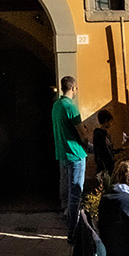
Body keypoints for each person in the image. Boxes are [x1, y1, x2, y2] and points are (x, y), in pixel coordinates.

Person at [52, 77, 87, 222]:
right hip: (75, 154)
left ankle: (65, 213)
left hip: (62, 153)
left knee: (65, 187)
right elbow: (82, 133)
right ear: (73, 88)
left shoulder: (56, 106)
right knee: (76, 191)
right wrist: (86, 142)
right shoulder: (70, 107)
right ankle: (73, 224)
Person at [88, 108, 117, 179]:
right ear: (106, 120)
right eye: (110, 121)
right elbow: (102, 152)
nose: (111, 124)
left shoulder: (106, 134)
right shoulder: (99, 134)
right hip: (104, 166)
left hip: (109, 165)